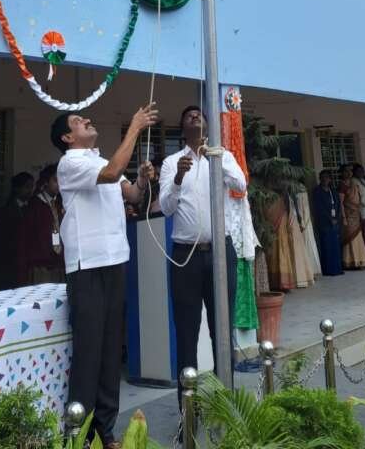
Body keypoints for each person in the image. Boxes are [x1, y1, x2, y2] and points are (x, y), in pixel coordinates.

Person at [51, 103, 157, 449]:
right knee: (89, 352)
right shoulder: (71, 163)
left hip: (114, 261)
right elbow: (112, 175)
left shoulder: (101, 160)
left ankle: (104, 432)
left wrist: (143, 179)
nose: (86, 119)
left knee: (111, 350)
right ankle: (79, 435)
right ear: (67, 138)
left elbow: (133, 195)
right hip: (87, 265)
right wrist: (134, 128)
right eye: (77, 120)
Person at [159, 106, 246, 411]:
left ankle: (226, 405)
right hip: (186, 256)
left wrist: (217, 159)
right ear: (182, 127)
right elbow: (166, 207)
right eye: (189, 115)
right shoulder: (171, 162)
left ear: (207, 125)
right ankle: (188, 412)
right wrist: (179, 177)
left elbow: (241, 185)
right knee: (186, 332)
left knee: (222, 329)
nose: (195, 117)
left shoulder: (222, 156)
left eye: (199, 114)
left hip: (221, 252)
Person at [18, 164, 65, 285]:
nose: (59, 184)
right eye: (55, 180)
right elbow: (25, 239)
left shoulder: (60, 203)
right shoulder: (34, 205)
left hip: (59, 263)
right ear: (46, 182)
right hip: (41, 265)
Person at [0, 171, 34, 290]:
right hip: (10, 261)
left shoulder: (32, 207)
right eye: (27, 187)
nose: (30, 190)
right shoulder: (6, 211)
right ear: (17, 188)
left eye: (32, 187)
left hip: (27, 260)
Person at [312, 170, 343, 276]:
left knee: (335, 246)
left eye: (327, 177)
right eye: (323, 177)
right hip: (324, 223)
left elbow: (338, 205)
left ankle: (337, 269)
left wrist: (337, 217)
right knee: (326, 246)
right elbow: (319, 208)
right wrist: (330, 219)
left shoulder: (333, 191)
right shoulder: (317, 191)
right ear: (320, 179)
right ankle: (328, 270)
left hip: (335, 222)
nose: (325, 179)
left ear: (330, 179)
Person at [338, 165, 365, 269]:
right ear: (342, 173)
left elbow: (359, 199)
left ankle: (360, 260)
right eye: (346, 171)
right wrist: (344, 217)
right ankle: (350, 261)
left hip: (356, 213)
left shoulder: (354, 184)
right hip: (348, 214)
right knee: (350, 237)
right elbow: (341, 203)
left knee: (358, 236)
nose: (348, 173)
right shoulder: (342, 186)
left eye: (350, 171)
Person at [266, 193, 295, 291]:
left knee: (278, 249)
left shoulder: (272, 195)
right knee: (280, 249)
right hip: (280, 218)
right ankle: (282, 282)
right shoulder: (281, 195)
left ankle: (278, 282)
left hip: (279, 219)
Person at [297, 184, 321, 278]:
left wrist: (302, 223)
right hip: (301, 223)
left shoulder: (300, 189)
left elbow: (304, 209)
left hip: (304, 224)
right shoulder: (297, 188)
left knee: (308, 246)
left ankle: (310, 271)